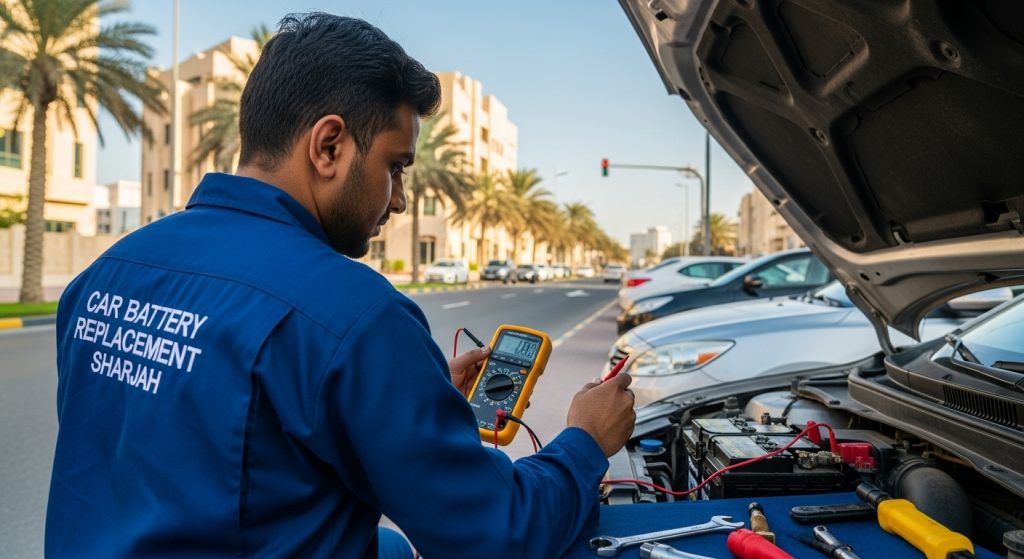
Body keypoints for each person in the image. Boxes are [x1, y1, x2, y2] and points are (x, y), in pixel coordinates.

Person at [46, 12, 636, 559]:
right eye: (396, 167)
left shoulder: (103, 274)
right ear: (329, 147)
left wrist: (408, 401)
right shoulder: (356, 316)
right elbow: (496, 533)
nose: (399, 200)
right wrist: (585, 441)